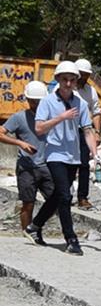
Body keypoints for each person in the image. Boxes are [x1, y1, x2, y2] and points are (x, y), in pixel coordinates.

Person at [31, 62, 97, 255]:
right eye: (65, 79)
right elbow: (39, 128)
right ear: (58, 80)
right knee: (66, 196)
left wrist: (95, 152)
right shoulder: (47, 102)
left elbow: (87, 130)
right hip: (54, 153)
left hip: (73, 155)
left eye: (72, 80)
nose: (68, 83)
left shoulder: (81, 104)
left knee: (59, 195)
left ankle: (35, 225)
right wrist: (61, 117)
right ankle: (71, 238)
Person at [2, 81, 53, 234]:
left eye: (39, 101)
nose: (36, 104)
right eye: (33, 101)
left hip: (48, 166)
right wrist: (19, 143)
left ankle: (36, 226)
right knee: (28, 203)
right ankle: (27, 234)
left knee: (56, 200)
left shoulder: (52, 117)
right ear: (27, 100)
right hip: (27, 167)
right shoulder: (19, 118)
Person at [73, 59, 97, 205]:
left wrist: (97, 132)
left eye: (87, 75)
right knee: (65, 164)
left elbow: (96, 112)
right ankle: (64, 195)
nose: (84, 77)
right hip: (66, 131)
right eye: (82, 74)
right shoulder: (63, 88)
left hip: (83, 131)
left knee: (84, 164)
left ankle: (82, 197)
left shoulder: (90, 91)